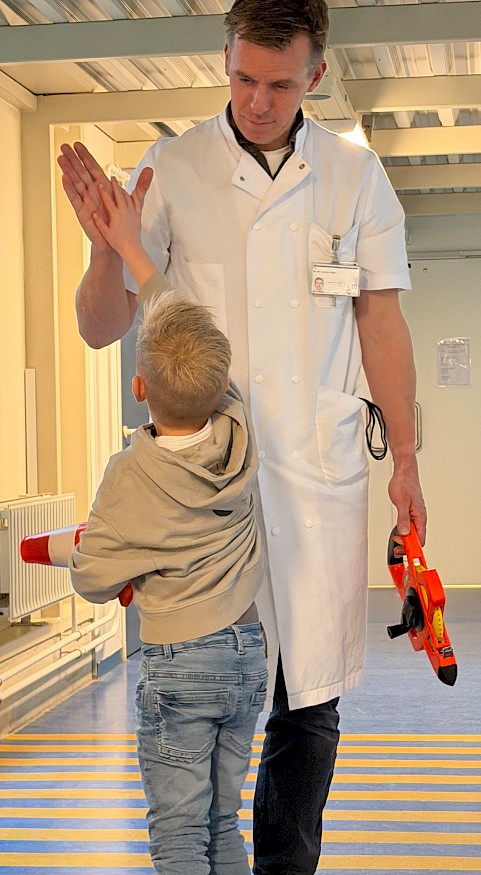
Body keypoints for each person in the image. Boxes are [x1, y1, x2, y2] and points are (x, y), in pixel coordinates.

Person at [58, 1, 427, 872]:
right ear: (223, 59)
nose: (258, 102)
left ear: (316, 75)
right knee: (202, 702)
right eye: (243, 79)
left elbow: (380, 324)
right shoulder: (173, 168)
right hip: (202, 493)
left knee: (309, 702)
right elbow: (100, 327)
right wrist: (106, 251)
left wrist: (407, 460)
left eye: (280, 85)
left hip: (313, 477)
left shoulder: (355, 178)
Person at [69, 180, 268, 874]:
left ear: (139, 387)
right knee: (222, 824)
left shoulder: (130, 475)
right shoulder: (238, 429)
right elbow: (182, 326)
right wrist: (136, 253)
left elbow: (94, 579)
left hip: (179, 662)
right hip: (247, 650)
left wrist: (104, 557)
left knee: (178, 835)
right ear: (220, 383)